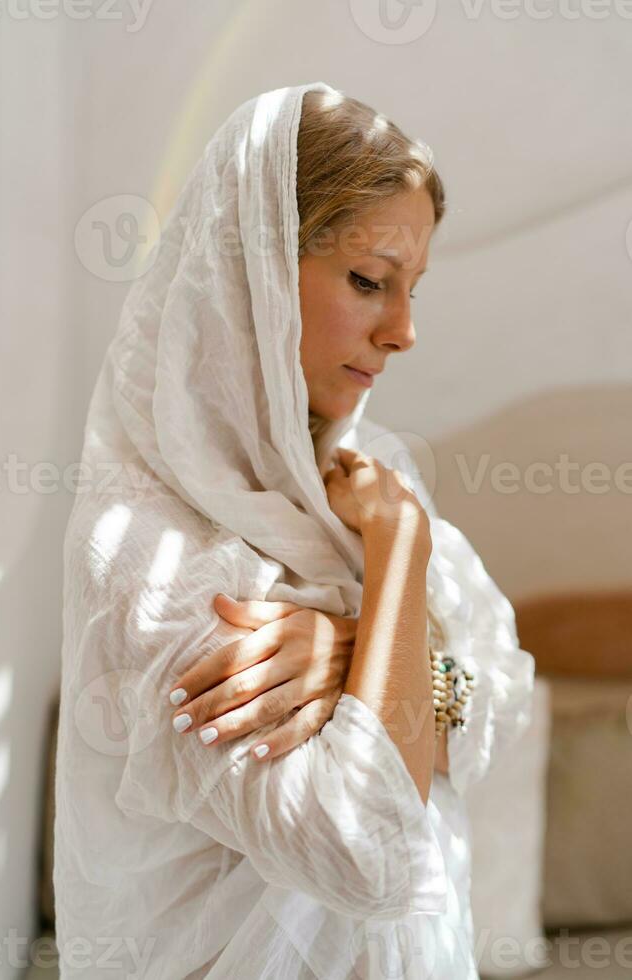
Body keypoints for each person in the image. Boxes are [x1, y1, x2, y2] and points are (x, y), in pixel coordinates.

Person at [53, 81, 535, 979]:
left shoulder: (368, 467)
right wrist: (398, 560)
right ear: (256, 272)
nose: (404, 333)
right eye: (368, 282)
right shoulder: (144, 549)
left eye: (413, 289)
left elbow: (503, 690)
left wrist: (364, 655)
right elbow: (364, 854)